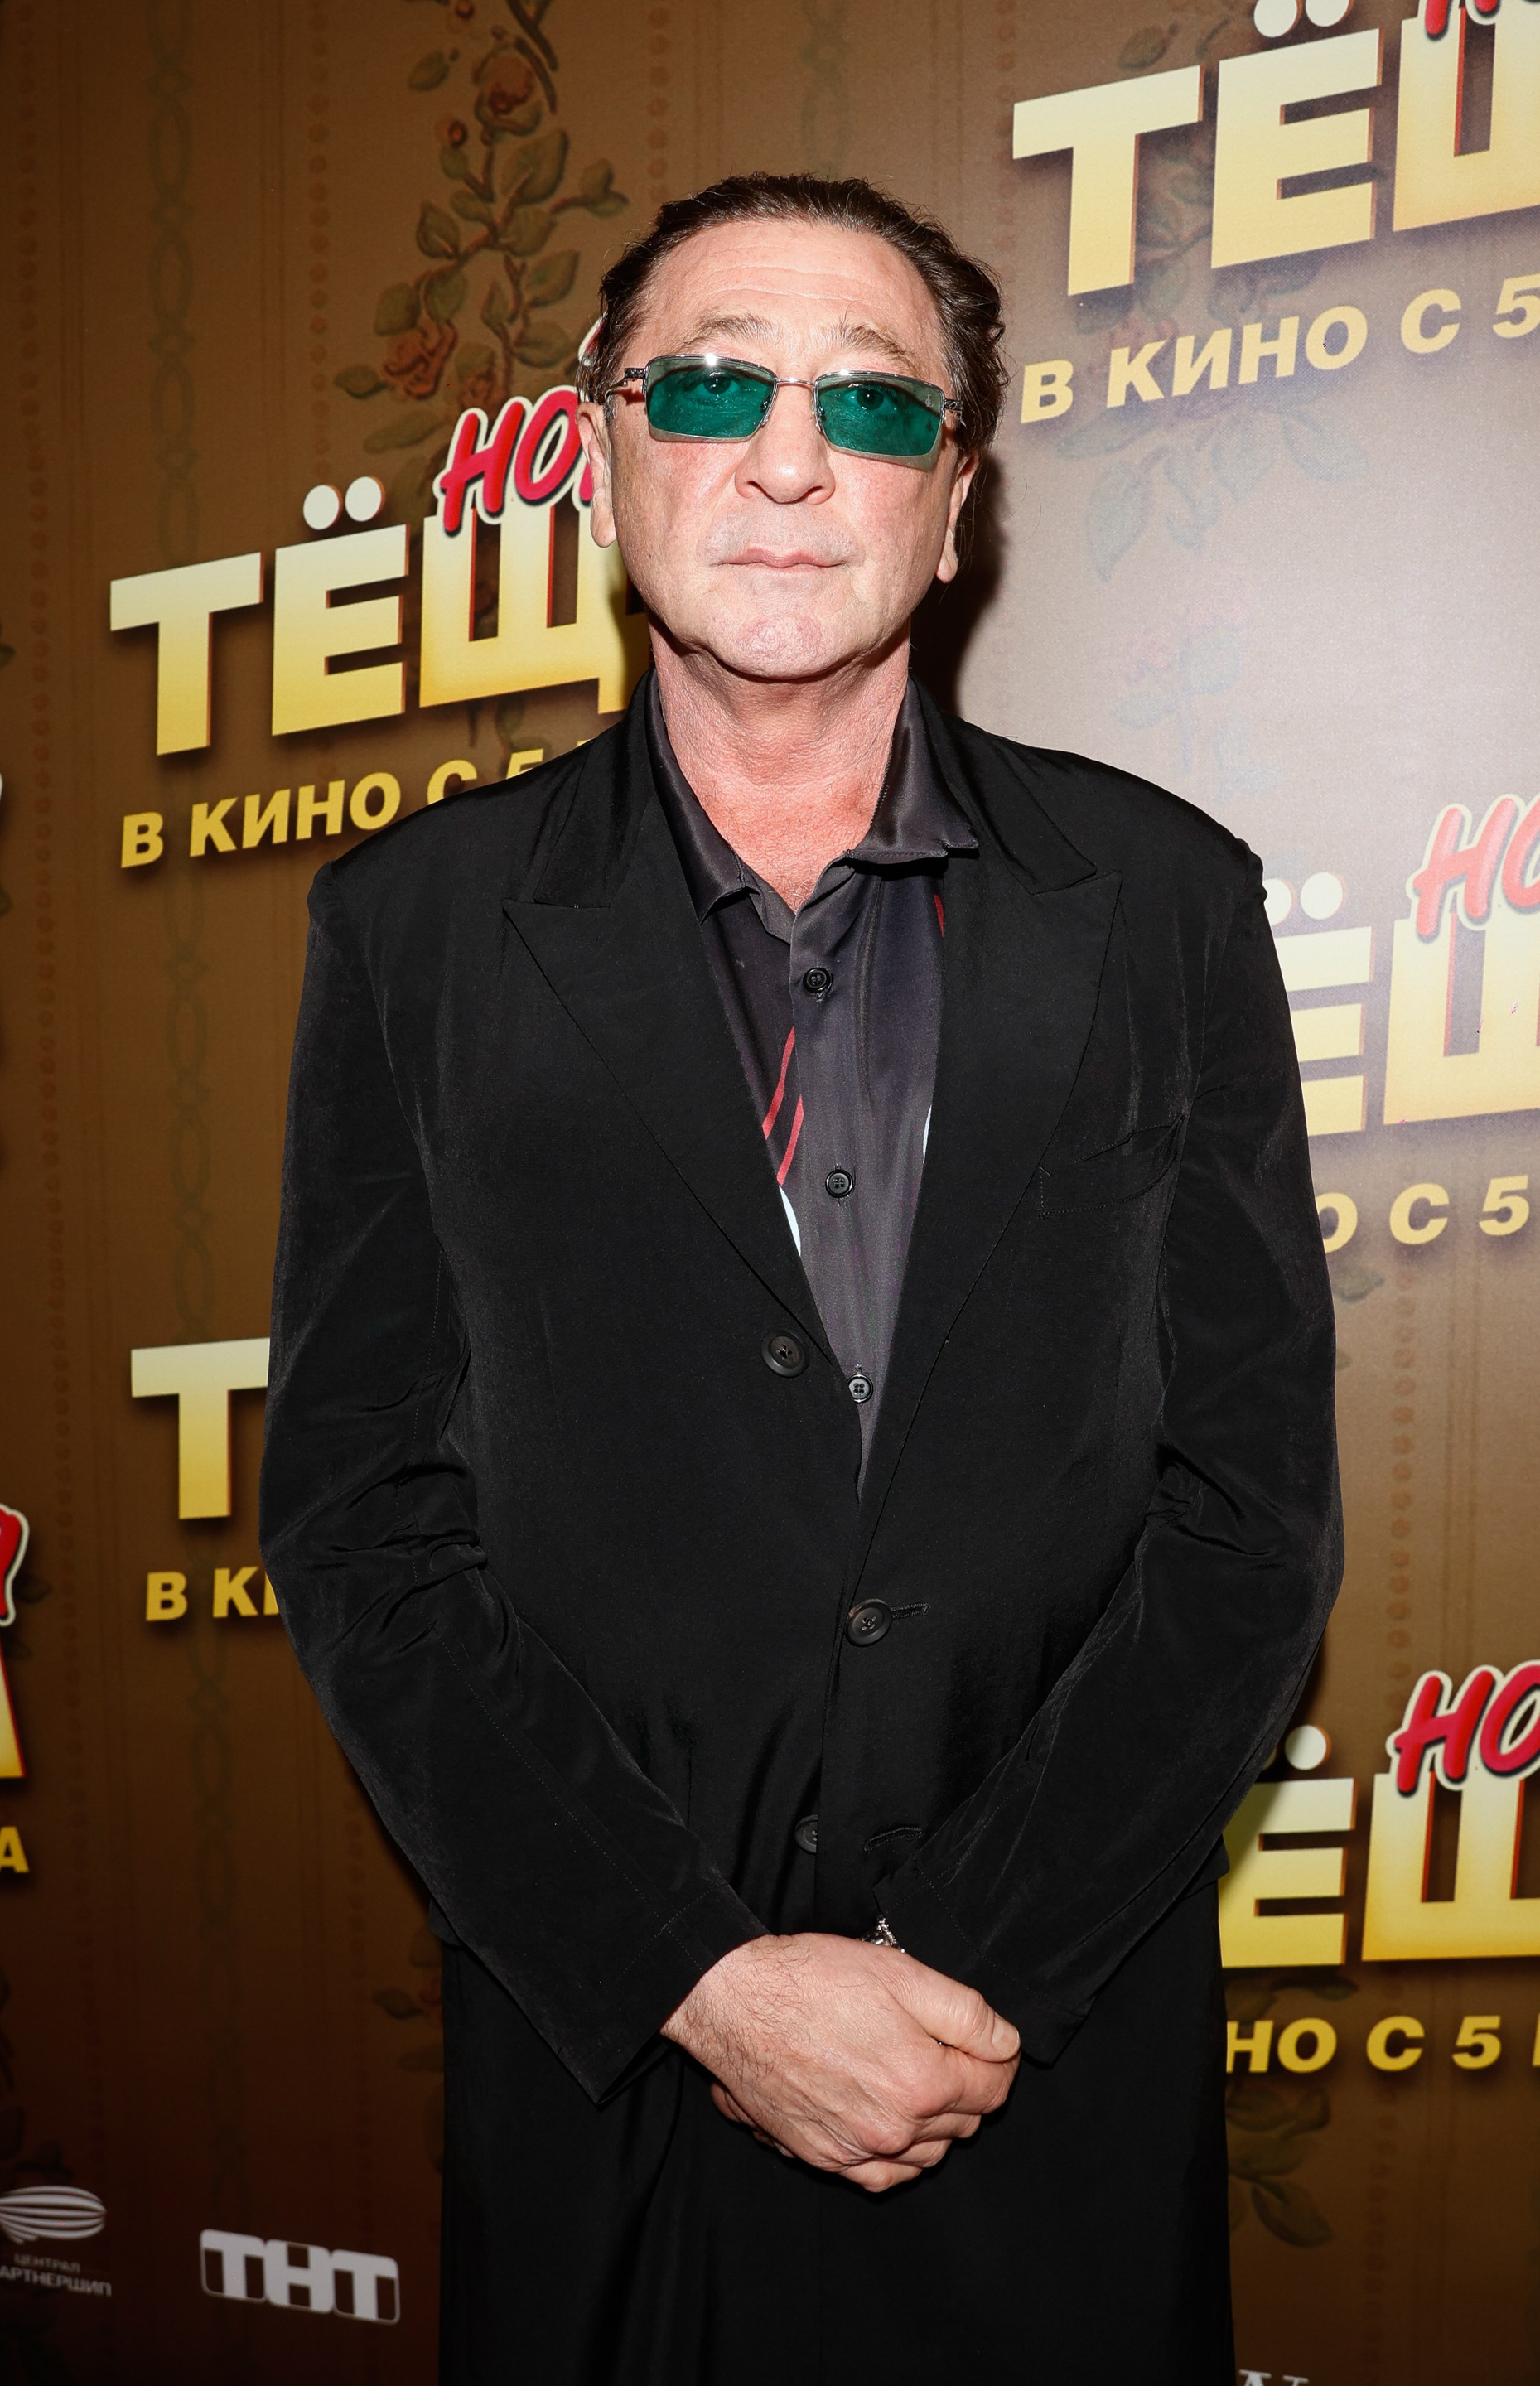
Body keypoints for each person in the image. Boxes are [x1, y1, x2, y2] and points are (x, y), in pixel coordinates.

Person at [260, 173, 1342, 2386]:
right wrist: (702, 1973)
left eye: (869, 403)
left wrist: (960, 1965)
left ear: (952, 507)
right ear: (603, 457)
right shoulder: (412, 928)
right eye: (711, 386)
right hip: (615, 2076)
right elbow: (363, 1522)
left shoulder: (1163, 898)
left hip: (1028, 2061)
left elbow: (1248, 1518)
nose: (783, 456)